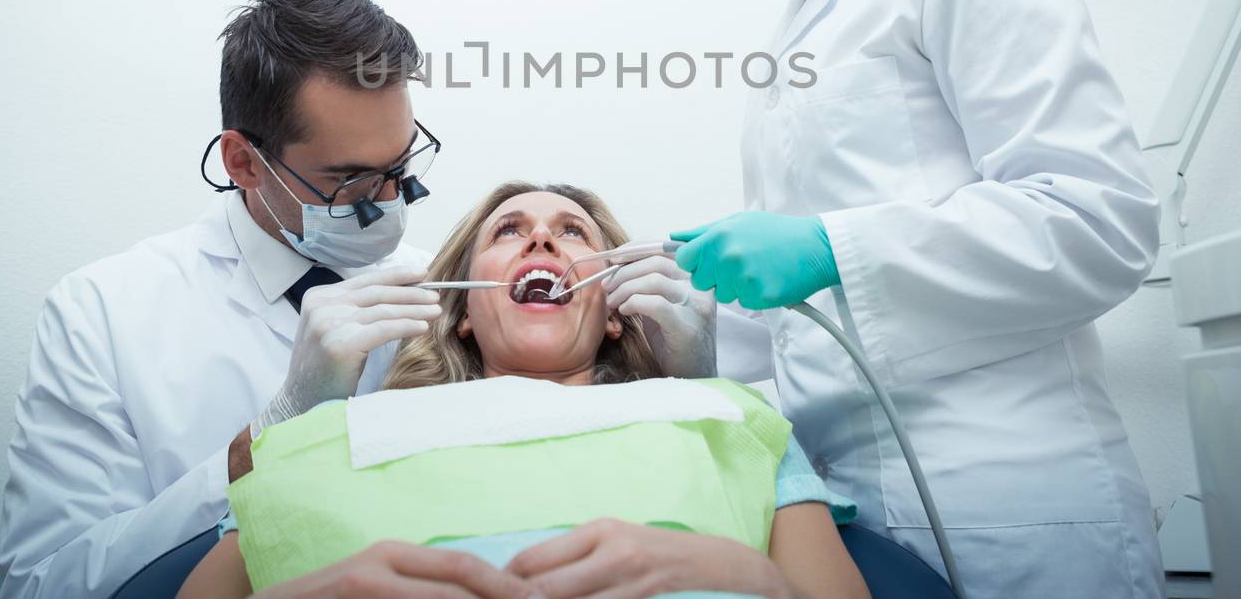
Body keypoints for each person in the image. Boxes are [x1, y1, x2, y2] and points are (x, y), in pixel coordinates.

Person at [644, 0, 1165, 597]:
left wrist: (826, 247)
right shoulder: (793, 35)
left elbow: (1097, 221)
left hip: (1006, 490)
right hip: (847, 509)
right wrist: (669, 316)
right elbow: (810, 322)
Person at [178, 183, 870, 599]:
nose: (541, 236)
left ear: (613, 310)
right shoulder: (322, 436)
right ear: (467, 313)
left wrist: (748, 579)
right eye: (508, 230)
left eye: (574, 232)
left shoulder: (730, 415)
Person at [0, 0, 448, 599]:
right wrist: (264, 442)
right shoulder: (101, 313)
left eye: (400, 168)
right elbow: (45, 586)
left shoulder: (444, 295)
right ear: (242, 162)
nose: (390, 203)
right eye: (350, 181)